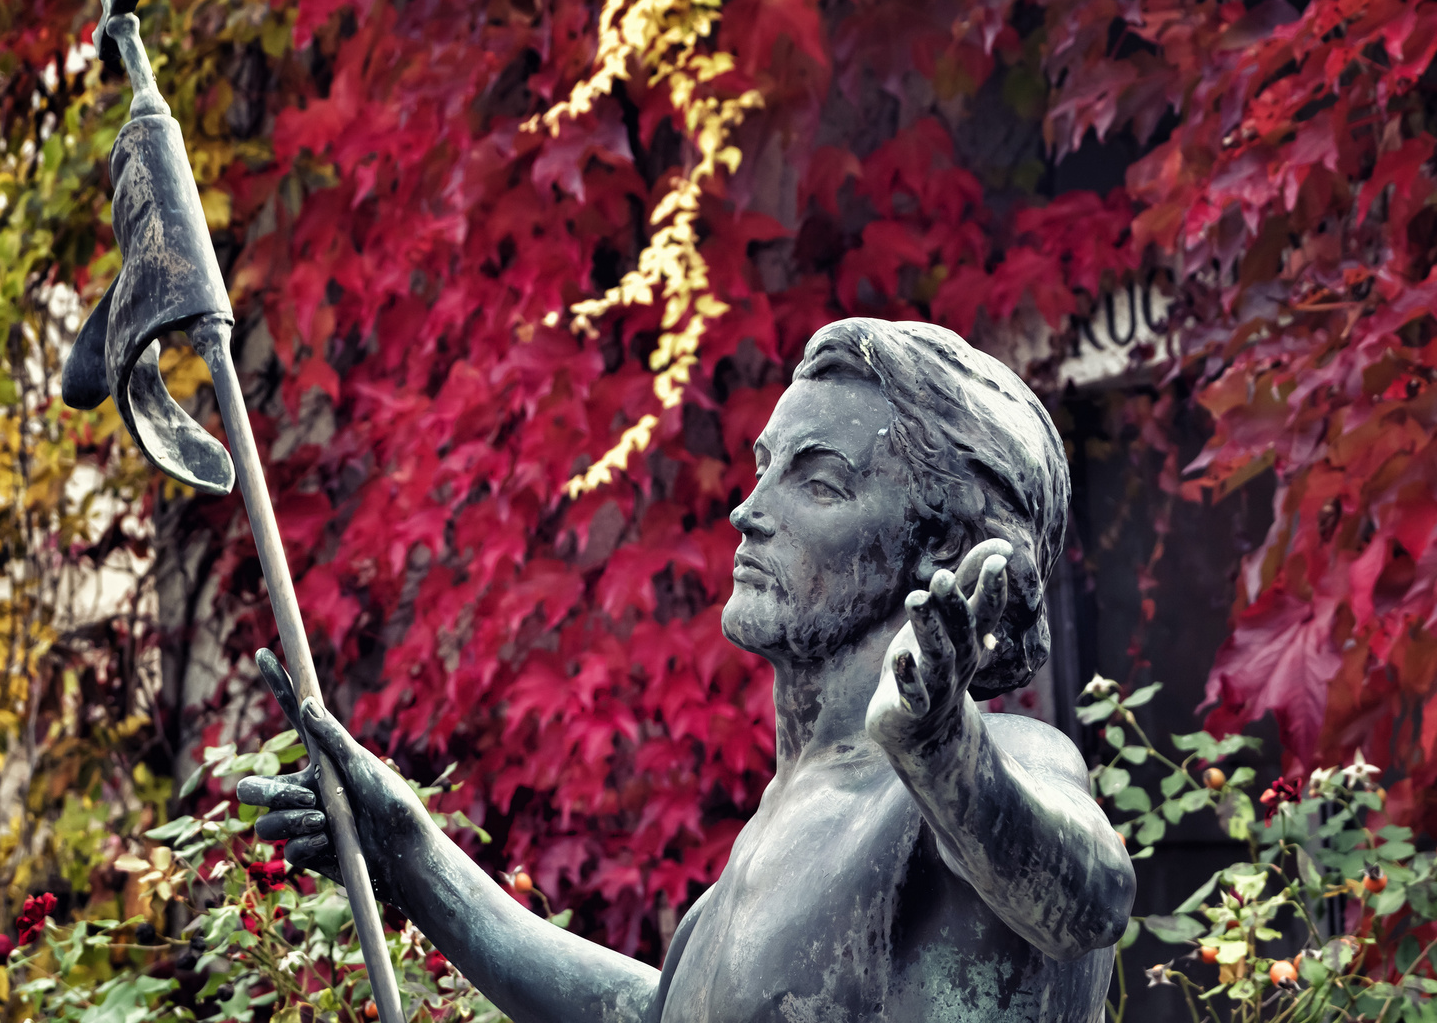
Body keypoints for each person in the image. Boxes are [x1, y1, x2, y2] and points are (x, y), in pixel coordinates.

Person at [239, 318, 1135, 1022]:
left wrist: (946, 754)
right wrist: (417, 857)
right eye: (763, 470)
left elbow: (1091, 898)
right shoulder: (789, 818)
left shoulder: (999, 763)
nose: (749, 512)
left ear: (939, 547)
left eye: (818, 484)